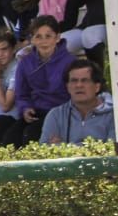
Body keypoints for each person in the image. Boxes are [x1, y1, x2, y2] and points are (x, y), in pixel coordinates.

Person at [13, 16, 76, 144]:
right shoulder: (25, 63)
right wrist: (25, 108)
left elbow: (75, 95)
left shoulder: (70, 62)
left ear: (57, 38)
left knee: (30, 135)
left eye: (48, 36)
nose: (43, 41)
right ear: (32, 39)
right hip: (37, 111)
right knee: (11, 138)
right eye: (38, 36)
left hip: (61, 113)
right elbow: (21, 94)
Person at [41, 59, 117, 145]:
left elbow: (113, 149)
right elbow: (45, 149)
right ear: (67, 87)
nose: (78, 85)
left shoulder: (114, 114)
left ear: (97, 87)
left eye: (85, 80)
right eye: (74, 81)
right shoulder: (56, 115)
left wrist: (63, 147)